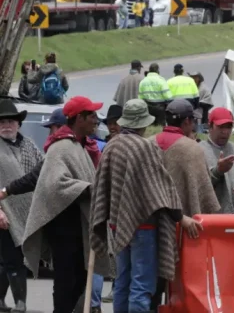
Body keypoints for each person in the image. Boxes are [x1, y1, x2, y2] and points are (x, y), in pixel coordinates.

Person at [90, 99, 203, 313]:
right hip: (144, 226)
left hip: (118, 224)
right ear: (143, 123)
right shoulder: (144, 147)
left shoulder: (112, 145)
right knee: (142, 285)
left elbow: (102, 186)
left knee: (122, 282)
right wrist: (181, 217)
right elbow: (161, 188)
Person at [22, 97, 108, 313]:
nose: (96, 120)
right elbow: (54, 183)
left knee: (80, 279)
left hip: (77, 225)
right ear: (79, 118)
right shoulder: (60, 147)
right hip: (63, 226)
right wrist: (87, 188)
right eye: (91, 116)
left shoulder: (80, 145)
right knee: (66, 281)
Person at [0, 100, 44, 313]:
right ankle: (21, 302)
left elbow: (41, 172)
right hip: (4, 212)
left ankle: (0, 301)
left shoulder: (29, 145)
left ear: (18, 124)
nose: (6, 125)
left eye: (11, 121)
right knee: (13, 258)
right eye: (2, 122)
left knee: (7, 260)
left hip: (28, 211)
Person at [153, 100, 220, 217]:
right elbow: (205, 194)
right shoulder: (192, 148)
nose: (193, 125)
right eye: (193, 121)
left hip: (150, 219)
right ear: (187, 121)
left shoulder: (148, 143)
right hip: (183, 223)